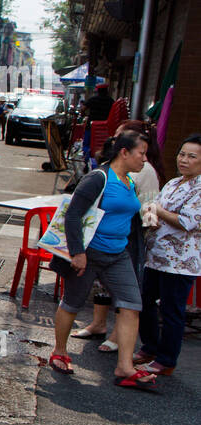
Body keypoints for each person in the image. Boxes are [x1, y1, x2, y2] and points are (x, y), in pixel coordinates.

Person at [48, 130, 156, 390]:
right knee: (72, 303)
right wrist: (78, 253)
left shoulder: (129, 180)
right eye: (141, 153)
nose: (145, 159)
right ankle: (60, 351)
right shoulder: (99, 178)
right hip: (90, 253)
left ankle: (125, 367)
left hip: (118, 255)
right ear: (124, 152)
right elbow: (73, 215)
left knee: (132, 305)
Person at [71, 119, 163, 349]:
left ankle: (115, 337)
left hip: (129, 236)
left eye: (122, 135)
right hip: (102, 236)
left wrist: (147, 230)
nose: (115, 138)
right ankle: (98, 324)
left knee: (126, 294)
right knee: (100, 287)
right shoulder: (111, 166)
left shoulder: (146, 169)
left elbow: (150, 206)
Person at [135, 134, 201, 376]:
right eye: (182, 154)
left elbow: (187, 222)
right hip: (156, 255)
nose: (184, 160)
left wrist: (158, 211)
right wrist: (151, 219)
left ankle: (166, 359)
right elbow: (153, 210)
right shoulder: (174, 183)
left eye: (191, 156)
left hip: (180, 262)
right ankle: (150, 347)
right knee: (145, 301)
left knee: (172, 311)